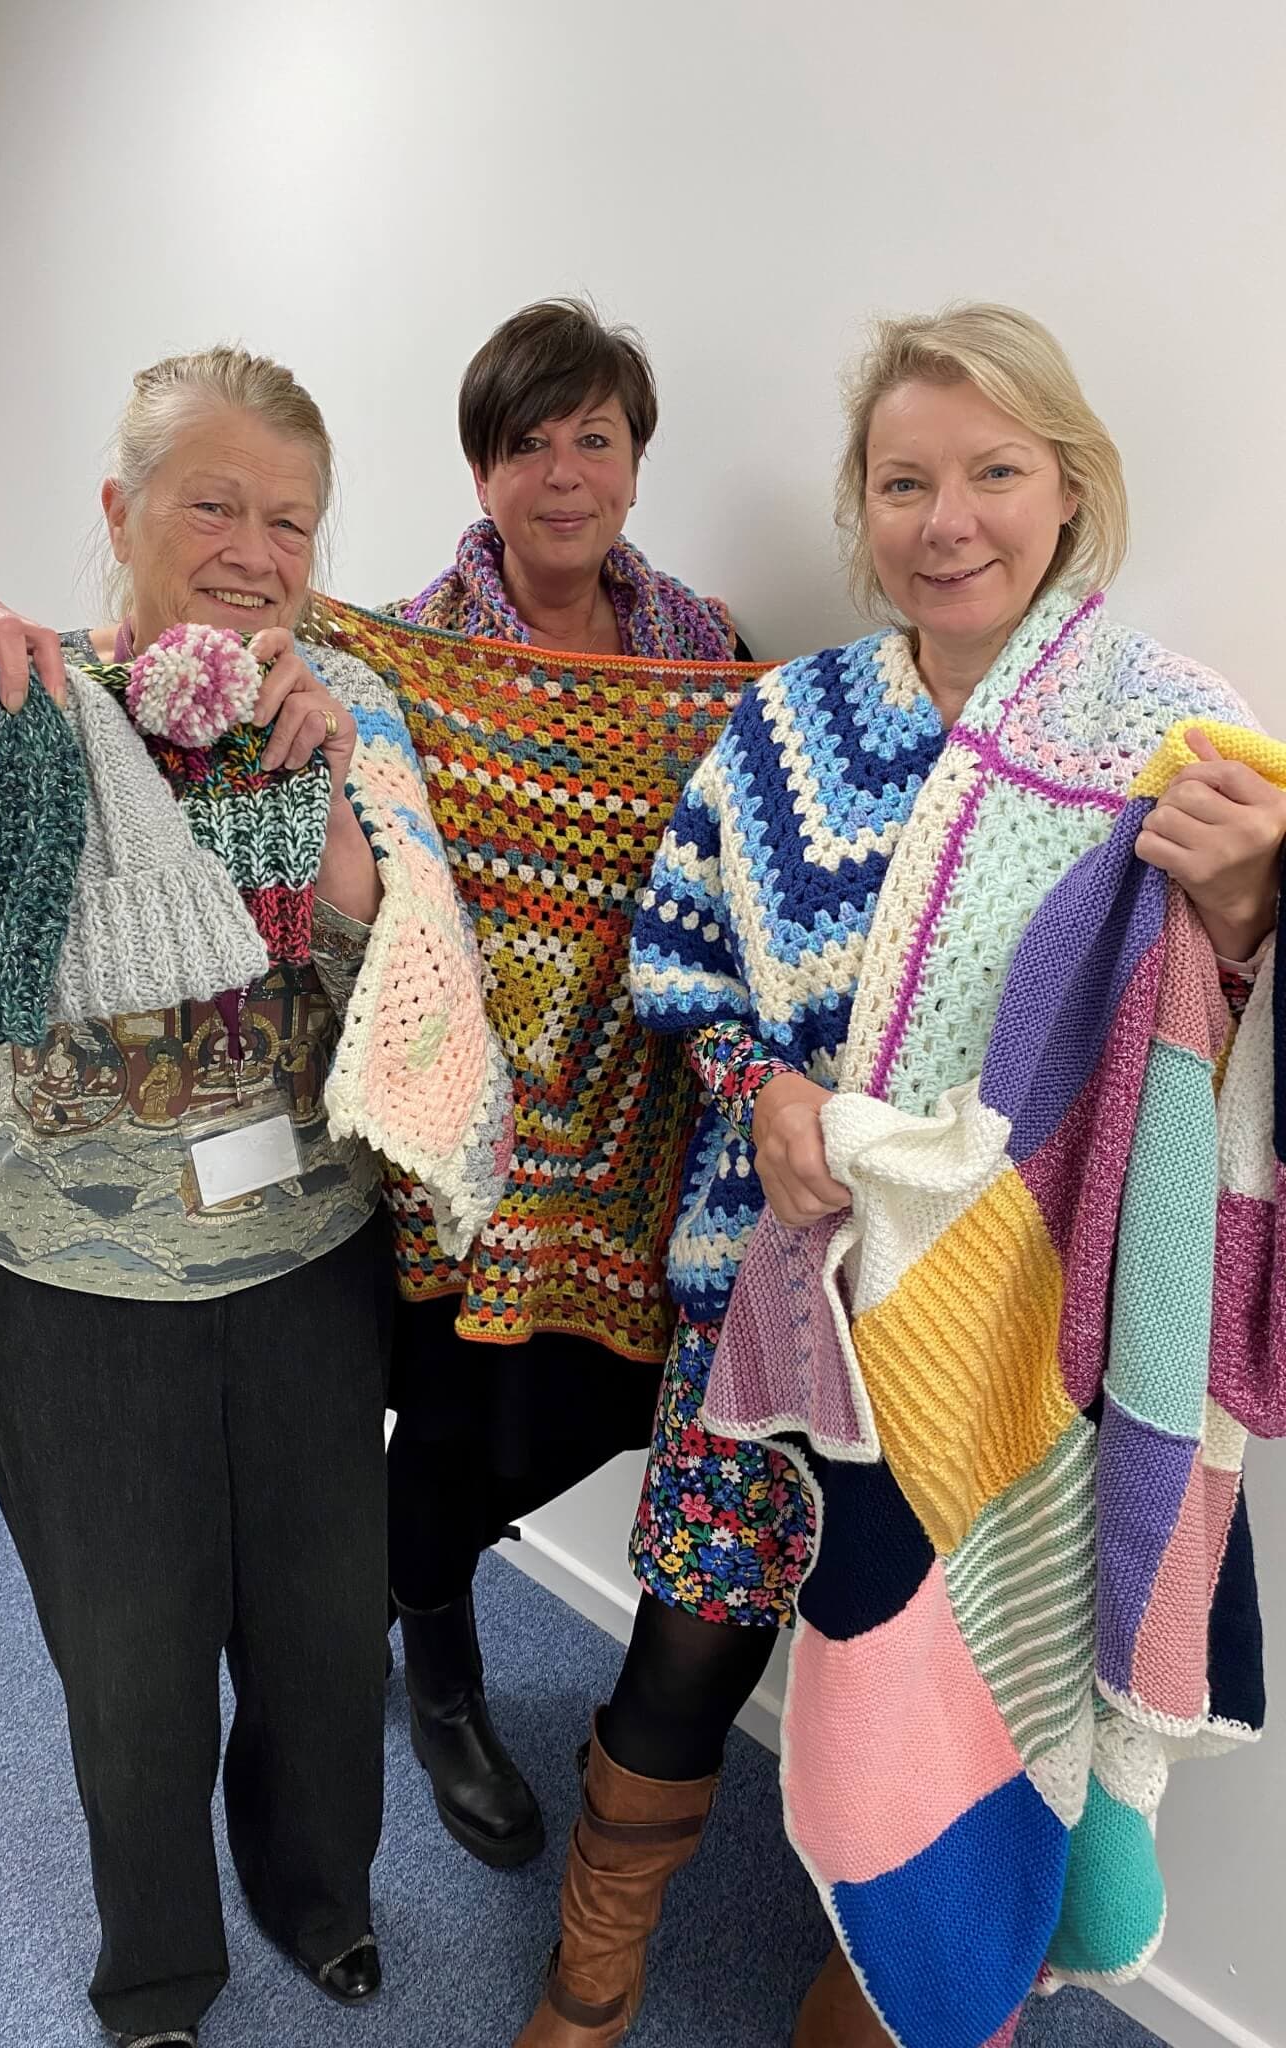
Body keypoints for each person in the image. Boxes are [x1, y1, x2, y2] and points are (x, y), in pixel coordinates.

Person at [517, 303, 1285, 2047]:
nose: (950, 521)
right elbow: (682, 948)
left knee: (949, 1684)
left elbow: (1201, 1049)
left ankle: (902, 1992)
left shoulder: (1169, 737)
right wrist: (764, 1085)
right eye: (904, 481)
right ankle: (592, 1969)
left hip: (1013, 1346)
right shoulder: (790, 726)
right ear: (861, 512)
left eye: (994, 473)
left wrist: (1250, 904)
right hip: (776, 1292)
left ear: (1069, 488)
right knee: (690, 1641)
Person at [0, 345, 449, 2048]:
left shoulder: (349, 704)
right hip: (71, 1283)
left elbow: (413, 1009)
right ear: (120, 508)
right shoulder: (10, 705)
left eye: (291, 517)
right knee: (130, 1670)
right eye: (213, 500)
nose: (254, 546)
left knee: (317, 1644)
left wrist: (337, 812)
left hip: (306, 1262)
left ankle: (319, 1893)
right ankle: (158, 1965)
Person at [368, 296, 809, 1871]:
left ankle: (406, 1583)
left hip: (650, 1107)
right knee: (454, 1413)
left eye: (595, 438)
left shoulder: (703, 644)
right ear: (482, 467)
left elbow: (768, 818)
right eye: (528, 441)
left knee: (609, 1398)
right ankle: (438, 1661)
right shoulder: (419, 652)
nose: (563, 472)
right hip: (473, 1116)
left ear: (635, 460)